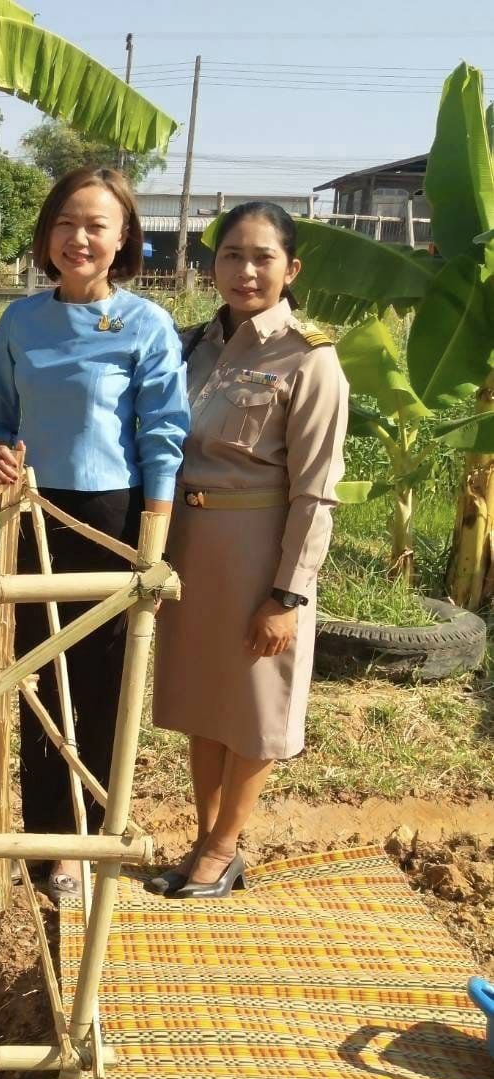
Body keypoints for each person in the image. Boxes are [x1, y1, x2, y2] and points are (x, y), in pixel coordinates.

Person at [0, 166, 189, 901]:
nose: (79, 238)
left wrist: (154, 535)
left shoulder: (146, 325)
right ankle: (44, 838)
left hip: (113, 519)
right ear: (47, 235)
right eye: (66, 222)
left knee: (100, 683)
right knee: (37, 678)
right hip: (36, 517)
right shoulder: (20, 322)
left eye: (97, 225)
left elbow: (163, 434)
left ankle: (86, 840)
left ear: (124, 237)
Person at [150, 202, 347, 899]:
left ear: (291, 269)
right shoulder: (190, 345)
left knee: (256, 706)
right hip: (191, 548)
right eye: (232, 254)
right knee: (203, 698)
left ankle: (224, 845)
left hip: (260, 551)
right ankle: (204, 838)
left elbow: (316, 491)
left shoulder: (309, 358)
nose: (245, 270)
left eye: (263, 257)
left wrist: (287, 594)